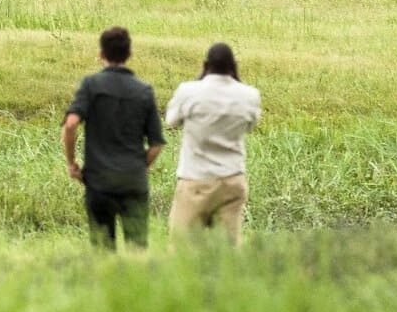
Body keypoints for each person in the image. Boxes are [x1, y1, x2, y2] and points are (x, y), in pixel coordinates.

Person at [63, 26, 165, 250]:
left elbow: (70, 124)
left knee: (102, 252)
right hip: (133, 181)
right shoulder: (144, 91)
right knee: (138, 250)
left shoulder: (91, 86)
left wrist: (72, 164)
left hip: (99, 182)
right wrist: (140, 165)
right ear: (129, 54)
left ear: (101, 54)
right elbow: (156, 143)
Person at [165, 42, 261, 246]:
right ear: (233, 66)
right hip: (232, 180)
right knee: (228, 250)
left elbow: (171, 121)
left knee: (182, 248)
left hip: (195, 180)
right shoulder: (250, 95)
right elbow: (251, 125)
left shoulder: (188, 91)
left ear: (205, 65)